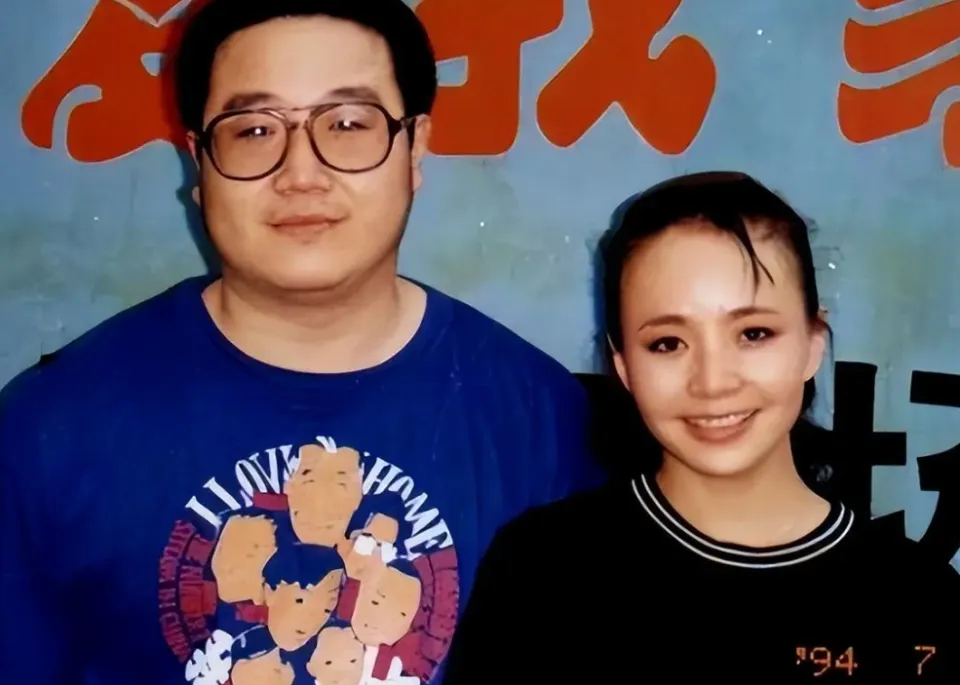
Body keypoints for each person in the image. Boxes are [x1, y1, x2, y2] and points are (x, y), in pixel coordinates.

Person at [0, 1, 603, 683]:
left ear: (416, 148)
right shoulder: (49, 427)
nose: (301, 173)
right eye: (254, 130)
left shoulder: (542, 421)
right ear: (199, 162)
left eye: (346, 124)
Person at [441, 172, 960, 684]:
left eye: (754, 334)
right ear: (623, 367)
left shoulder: (920, 598)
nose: (713, 382)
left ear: (812, 344)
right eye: (667, 343)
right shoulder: (543, 571)